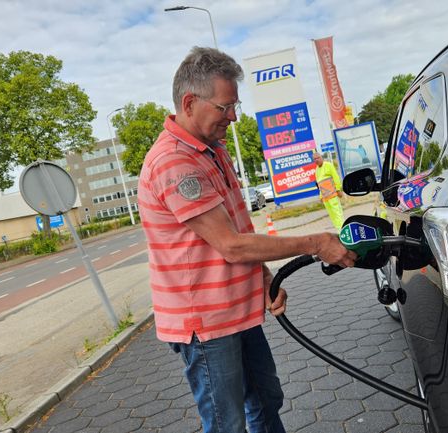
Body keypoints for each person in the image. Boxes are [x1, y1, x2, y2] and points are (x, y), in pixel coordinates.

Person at [137, 47, 357, 433]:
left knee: (266, 401)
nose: (234, 117)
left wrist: (265, 278)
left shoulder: (212, 151)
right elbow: (231, 244)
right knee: (227, 424)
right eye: (225, 107)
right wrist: (317, 242)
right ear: (190, 102)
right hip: (207, 324)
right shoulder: (174, 162)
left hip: (236, 312)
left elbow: (239, 231)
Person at [312, 152, 345, 229]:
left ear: (321, 157)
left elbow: (336, 177)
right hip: (325, 198)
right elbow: (319, 185)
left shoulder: (328, 165)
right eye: (315, 159)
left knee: (338, 215)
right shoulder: (317, 170)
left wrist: (338, 189)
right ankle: (339, 232)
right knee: (333, 217)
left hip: (333, 195)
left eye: (318, 158)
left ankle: (344, 231)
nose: (317, 160)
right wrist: (321, 196)